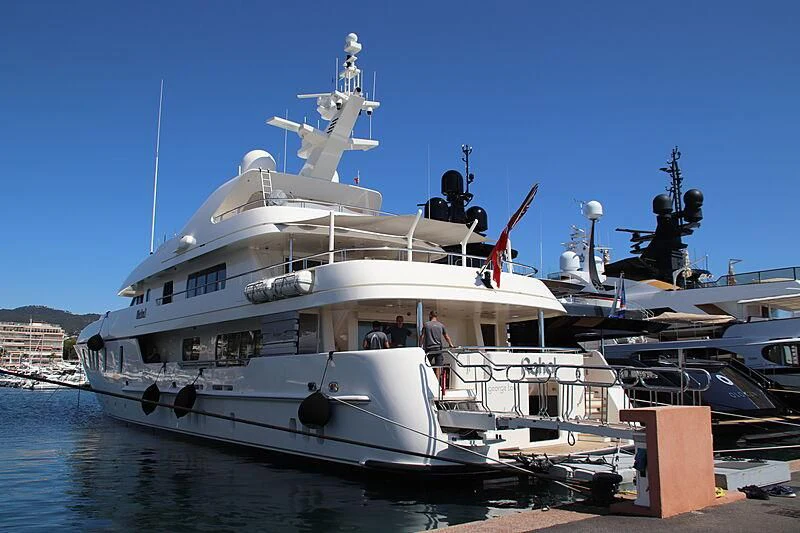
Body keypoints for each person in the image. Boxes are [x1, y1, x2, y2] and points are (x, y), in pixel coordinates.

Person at [419, 310, 454, 386]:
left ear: (430, 315)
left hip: (429, 349)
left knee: (427, 365)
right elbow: (446, 337)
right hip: (438, 349)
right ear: (436, 316)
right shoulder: (441, 325)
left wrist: (420, 346)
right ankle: (436, 384)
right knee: (438, 367)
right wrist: (451, 344)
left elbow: (422, 336)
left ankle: (427, 382)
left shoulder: (426, 325)